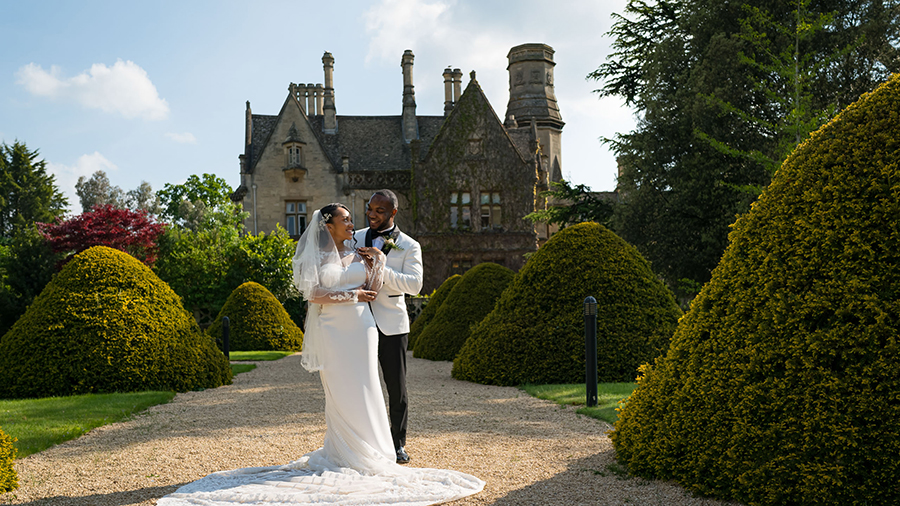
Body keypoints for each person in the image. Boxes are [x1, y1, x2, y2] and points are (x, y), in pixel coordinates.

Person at [157, 203, 483, 506]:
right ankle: (343, 452)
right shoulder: (317, 255)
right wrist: (351, 293)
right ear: (329, 225)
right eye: (345, 219)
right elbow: (313, 293)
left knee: (368, 388)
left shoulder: (360, 250)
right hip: (332, 329)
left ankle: (376, 452)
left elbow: (370, 288)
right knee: (340, 393)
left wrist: (378, 264)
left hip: (363, 327)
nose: (352, 222)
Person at [353, 189, 423, 464]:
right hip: (356, 322)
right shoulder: (355, 237)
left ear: (393, 213)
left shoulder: (409, 245)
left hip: (391, 325)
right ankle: (363, 442)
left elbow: (414, 285)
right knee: (361, 384)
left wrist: (381, 266)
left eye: (379, 211)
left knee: (396, 388)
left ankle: (397, 444)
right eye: (370, 209)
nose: (372, 214)